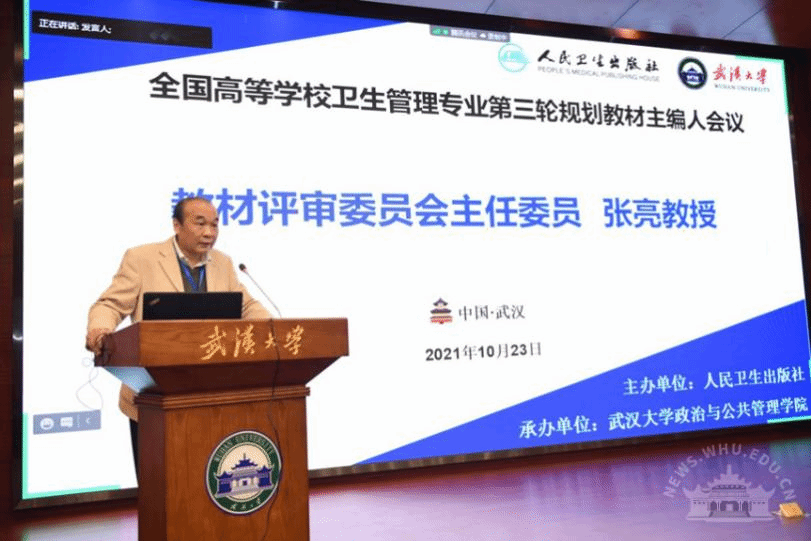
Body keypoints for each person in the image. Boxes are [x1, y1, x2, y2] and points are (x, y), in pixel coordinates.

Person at [85, 197, 270, 467]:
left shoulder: (223, 262)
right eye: (200, 224)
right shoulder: (142, 258)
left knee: (204, 475)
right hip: (153, 394)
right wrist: (100, 328)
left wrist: (271, 328)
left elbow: (247, 306)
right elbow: (110, 305)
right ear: (176, 225)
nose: (209, 233)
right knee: (158, 480)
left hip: (210, 394)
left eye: (215, 225)